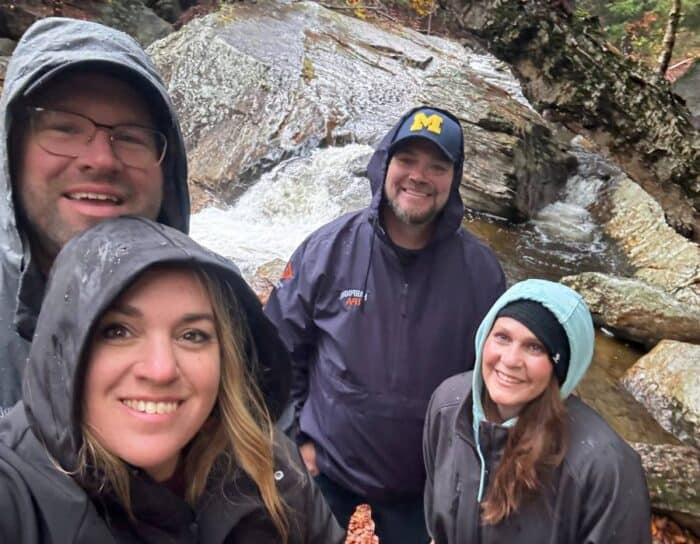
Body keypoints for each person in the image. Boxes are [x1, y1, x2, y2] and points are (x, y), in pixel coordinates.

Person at [0, 216, 345, 543]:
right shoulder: (16, 493)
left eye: (192, 335)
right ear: (62, 348)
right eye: (118, 331)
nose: (161, 369)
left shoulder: (269, 464)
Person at [265, 106, 506, 543]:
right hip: (325, 470)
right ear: (385, 164)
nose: (419, 176)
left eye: (437, 166)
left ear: (454, 179)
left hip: (420, 486)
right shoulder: (326, 249)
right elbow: (275, 351)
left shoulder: (482, 273)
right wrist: (293, 440)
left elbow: (492, 382)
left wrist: (468, 471)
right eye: (407, 160)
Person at [0, 17, 190, 415]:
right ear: (11, 151)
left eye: (130, 136)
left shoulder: (219, 306)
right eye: (65, 129)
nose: (101, 160)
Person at [423, 278, 651, 544]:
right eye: (502, 337)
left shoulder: (605, 468)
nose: (509, 360)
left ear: (561, 368)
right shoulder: (448, 405)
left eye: (535, 347)